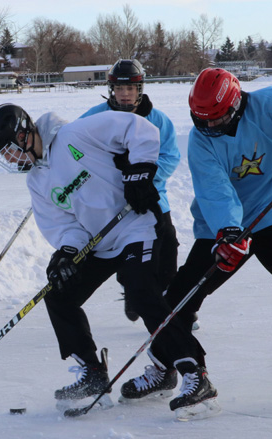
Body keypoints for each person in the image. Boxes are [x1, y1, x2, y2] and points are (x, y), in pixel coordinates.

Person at [0, 104, 219, 419]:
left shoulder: (74, 134)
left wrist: (140, 170)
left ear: (23, 133)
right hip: (101, 241)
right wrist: (65, 253)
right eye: (4, 156)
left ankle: (194, 372)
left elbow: (140, 129)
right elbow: (65, 227)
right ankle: (93, 373)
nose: (10, 159)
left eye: (9, 150)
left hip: (136, 225)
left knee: (142, 294)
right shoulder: (37, 182)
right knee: (58, 294)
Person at [154, 68, 272, 405]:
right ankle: (164, 365)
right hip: (224, 224)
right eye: (204, 121)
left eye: (219, 119)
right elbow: (215, 191)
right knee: (182, 294)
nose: (211, 128)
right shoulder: (201, 141)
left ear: (237, 103)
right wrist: (228, 232)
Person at [80, 58, 182, 324]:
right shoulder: (95, 116)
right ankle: (133, 291)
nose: (125, 94)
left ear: (140, 89)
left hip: (152, 195)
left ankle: (176, 306)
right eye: (119, 89)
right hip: (114, 200)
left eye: (131, 89)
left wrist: (145, 179)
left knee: (167, 244)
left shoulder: (158, 119)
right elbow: (74, 145)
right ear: (111, 89)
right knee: (124, 249)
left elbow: (170, 155)